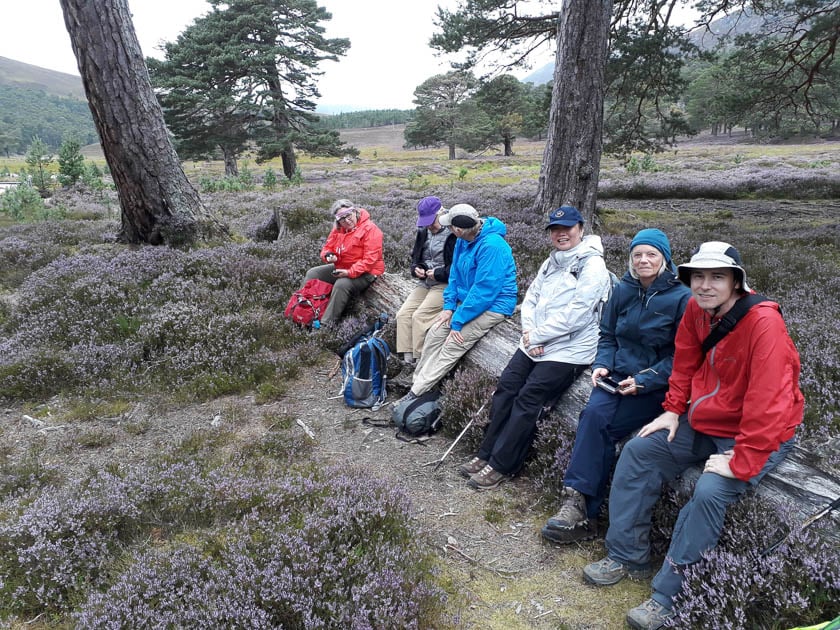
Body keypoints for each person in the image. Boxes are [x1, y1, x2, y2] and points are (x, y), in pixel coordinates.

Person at [581, 241, 804, 630]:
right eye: (698, 276)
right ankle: (626, 554)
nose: (704, 285)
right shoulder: (697, 313)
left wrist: (743, 460)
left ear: (737, 281)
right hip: (704, 421)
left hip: (758, 433)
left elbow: (771, 400)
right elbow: (684, 361)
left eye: (717, 276)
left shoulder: (764, 324)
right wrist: (671, 410)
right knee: (638, 452)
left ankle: (668, 594)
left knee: (709, 491)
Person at [541, 228, 691, 541]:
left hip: (655, 388)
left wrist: (646, 380)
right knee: (592, 415)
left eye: (651, 254)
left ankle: (584, 510)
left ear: (665, 258)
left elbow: (682, 356)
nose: (643, 260)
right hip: (616, 377)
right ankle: (576, 501)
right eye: (638, 254)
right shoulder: (623, 289)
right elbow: (607, 334)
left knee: (605, 428)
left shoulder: (682, 298)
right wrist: (601, 365)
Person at [459, 206, 613, 490]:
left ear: (580, 228)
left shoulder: (593, 266)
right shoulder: (551, 261)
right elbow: (531, 299)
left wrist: (540, 336)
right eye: (555, 230)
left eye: (567, 228)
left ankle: (503, 464)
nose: (561, 234)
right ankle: (486, 452)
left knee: (529, 398)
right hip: (535, 341)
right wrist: (530, 332)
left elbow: (578, 314)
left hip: (571, 349)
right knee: (506, 387)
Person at [400, 203, 517, 402]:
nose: (448, 229)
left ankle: (414, 394)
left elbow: (485, 291)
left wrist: (458, 320)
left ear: (458, 229)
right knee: (435, 332)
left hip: (494, 306)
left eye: (451, 226)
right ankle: (417, 381)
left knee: (452, 344)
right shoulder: (463, 240)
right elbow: (454, 276)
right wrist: (448, 307)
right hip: (469, 302)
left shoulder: (493, 246)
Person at [301, 199, 385, 325]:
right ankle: (302, 309)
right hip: (343, 267)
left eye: (348, 215)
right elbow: (327, 248)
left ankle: (325, 325)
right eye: (342, 219)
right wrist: (329, 256)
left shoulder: (371, 229)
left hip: (367, 272)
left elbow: (369, 261)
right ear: (337, 220)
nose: (346, 220)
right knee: (313, 273)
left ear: (355, 212)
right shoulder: (338, 230)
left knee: (342, 284)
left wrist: (348, 272)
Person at [395, 196, 456, 365]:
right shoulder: (423, 231)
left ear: (441, 213)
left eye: (432, 221)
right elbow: (415, 259)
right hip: (425, 282)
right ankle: (408, 361)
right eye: (426, 221)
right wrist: (417, 269)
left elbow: (457, 269)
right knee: (403, 315)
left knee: (419, 317)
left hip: (445, 284)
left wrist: (438, 274)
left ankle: (420, 361)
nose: (429, 225)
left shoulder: (453, 233)